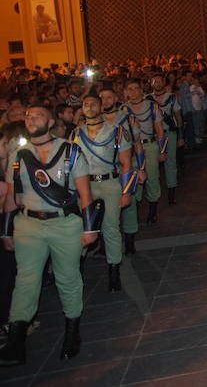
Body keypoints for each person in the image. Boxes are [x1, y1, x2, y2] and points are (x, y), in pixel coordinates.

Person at [0, 105, 99, 365]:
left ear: (51, 121)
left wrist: (90, 228)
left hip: (64, 224)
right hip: (28, 225)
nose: (31, 119)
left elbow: (85, 193)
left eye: (38, 115)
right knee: (26, 281)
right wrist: (5, 231)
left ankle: (71, 331)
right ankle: (16, 342)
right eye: (28, 116)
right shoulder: (19, 156)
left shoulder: (70, 151)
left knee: (68, 278)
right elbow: (11, 197)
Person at [73, 92, 135, 292]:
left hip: (109, 183)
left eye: (93, 103)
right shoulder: (75, 133)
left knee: (110, 228)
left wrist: (126, 192)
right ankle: (78, 268)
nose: (89, 107)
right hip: (85, 186)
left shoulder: (117, 132)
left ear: (101, 107)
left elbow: (126, 164)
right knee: (82, 227)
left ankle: (114, 270)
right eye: (85, 104)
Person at [120, 79, 166, 235]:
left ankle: (153, 211)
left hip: (150, 145)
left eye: (136, 88)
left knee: (152, 178)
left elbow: (160, 129)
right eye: (130, 88)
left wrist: (161, 151)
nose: (133, 91)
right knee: (134, 180)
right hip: (131, 149)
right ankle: (136, 211)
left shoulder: (152, 106)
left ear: (142, 91)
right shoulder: (123, 109)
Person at [148, 74, 182, 206]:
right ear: (151, 83)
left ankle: (171, 193)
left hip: (169, 133)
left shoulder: (171, 97)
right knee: (152, 166)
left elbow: (178, 117)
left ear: (164, 82)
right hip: (153, 135)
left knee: (170, 163)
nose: (157, 83)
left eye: (160, 81)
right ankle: (153, 196)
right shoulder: (147, 99)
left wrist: (180, 136)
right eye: (155, 81)